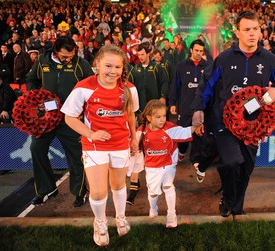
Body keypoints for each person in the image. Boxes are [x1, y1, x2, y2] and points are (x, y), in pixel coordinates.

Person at [191, 10, 275, 217]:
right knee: (232, 161)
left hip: (254, 124)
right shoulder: (224, 58)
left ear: (261, 32)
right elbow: (206, 85)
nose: (252, 33)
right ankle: (228, 197)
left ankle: (235, 207)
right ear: (237, 32)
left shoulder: (270, 60)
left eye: (255, 29)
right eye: (247, 29)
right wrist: (198, 109)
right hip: (224, 122)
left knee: (246, 168)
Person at [61, 45, 139, 246]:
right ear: (96, 64)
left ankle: (120, 217)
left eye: (118, 67)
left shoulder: (129, 88)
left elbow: (131, 115)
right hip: (94, 146)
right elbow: (69, 117)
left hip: (120, 144)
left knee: (118, 185)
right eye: (108, 66)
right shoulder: (84, 87)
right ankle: (100, 222)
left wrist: (134, 139)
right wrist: (91, 134)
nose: (113, 71)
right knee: (97, 192)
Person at [26, 36, 94, 207]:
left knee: (76, 155)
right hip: (47, 117)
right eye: (64, 56)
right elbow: (31, 79)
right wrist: (35, 96)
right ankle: (46, 189)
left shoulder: (81, 64)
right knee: (36, 148)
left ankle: (79, 192)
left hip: (70, 118)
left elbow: (92, 85)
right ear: (55, 52)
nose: (68, 59)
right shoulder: (42, 61)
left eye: (71, 56)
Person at [137, 99, 197, 228]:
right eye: (158, 117)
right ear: (148, 118)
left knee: (168, 186)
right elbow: (133, 146)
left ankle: (171, 215)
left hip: (168, 165)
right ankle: (153, 209)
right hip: (152, 168)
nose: (162, 119)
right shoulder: (141, 132)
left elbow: (185, 131)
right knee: (153, 192)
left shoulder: (170, 128)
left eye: (164, 116)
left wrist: (196, 125)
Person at [169, 39, 212, 163]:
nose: (199, 53)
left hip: (200, 108)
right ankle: (182, 152)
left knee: (199, 135)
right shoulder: (181, 66)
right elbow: (175, 85)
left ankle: (196, 160)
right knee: (183, 133)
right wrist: (172, 102)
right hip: (184, 106)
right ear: (191, 50)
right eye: (196, 50)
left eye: (201, 51)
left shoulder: (208, 67)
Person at [131, 43, 169, 112]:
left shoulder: (157, 67)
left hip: (155, 102)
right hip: (140, 105)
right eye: (139, 55)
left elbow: (164, 82)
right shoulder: (136, 68)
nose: (140, 57)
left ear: (148, 54)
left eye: (142, 54)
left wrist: (163, 96)